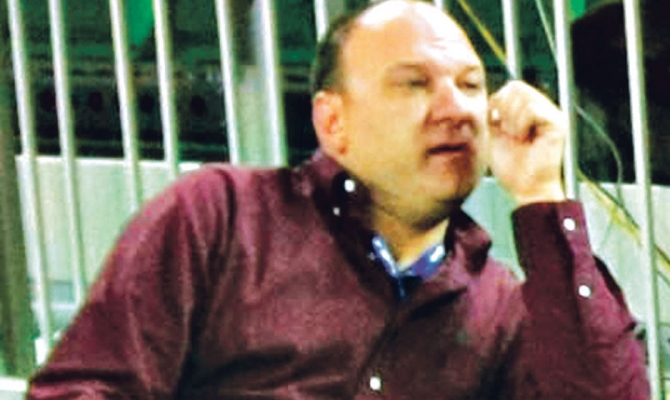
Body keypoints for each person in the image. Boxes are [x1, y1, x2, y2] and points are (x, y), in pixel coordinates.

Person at [27, 0, 649, 398]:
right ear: (333, 123)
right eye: (414, 84)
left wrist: (541, 194)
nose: (456, 109)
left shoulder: (501, 306)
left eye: (470, 85)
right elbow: (85, 388)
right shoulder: (220, 218)